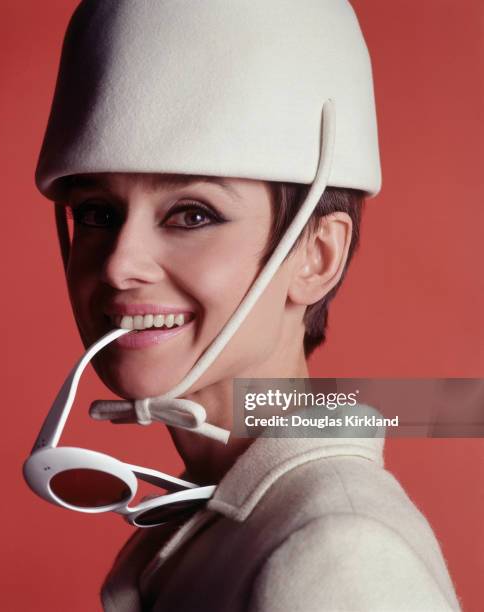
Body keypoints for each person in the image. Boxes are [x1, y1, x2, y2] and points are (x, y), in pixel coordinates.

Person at [33, 1, 461, 609]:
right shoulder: (206, 511)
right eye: (98, 214)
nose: (118, 263)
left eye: (192, 214)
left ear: (316, 256)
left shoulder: (341, 555)